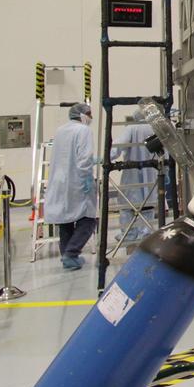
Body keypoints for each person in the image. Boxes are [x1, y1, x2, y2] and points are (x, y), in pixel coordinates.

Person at [45, 103, 98, 270]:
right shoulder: (83, 130)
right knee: (88, 219)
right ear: (82, 115)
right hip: (77, 181)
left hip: (59, 181)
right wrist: (87, 178)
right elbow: (84, 157)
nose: (90, 117)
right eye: (89, 114)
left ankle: (66, 256)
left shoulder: (60, 130)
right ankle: (71, 253)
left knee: (65, 219)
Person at [110, 109, 158, 241]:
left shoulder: (131, 128)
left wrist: (106, 159)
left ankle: (128, 234)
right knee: (148, 204)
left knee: (126, 204)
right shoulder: (154, 129)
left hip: (132, 172)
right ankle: (145, 233)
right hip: (152, 171)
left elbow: (118, 146)